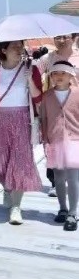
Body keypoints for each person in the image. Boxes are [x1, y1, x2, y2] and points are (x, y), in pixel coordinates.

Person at [0, 40, 43, 225]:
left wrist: (30, 79)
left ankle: (16, 207)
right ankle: (7, 188)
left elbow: (38, 97)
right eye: (14, 46)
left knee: (19, 163)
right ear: (4, 50)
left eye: (20, 46)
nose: (19, 49)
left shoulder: (31, 69)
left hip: (22, 120)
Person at [39, 61, 79, 232]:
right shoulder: (47, 96)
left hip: (75, 139)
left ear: (71, 76)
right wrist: (44, 139)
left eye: (63, 73)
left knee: (73, 177)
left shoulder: (77, 94)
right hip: (54, 139)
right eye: (55, 73)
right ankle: (62, 208)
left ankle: (73, 212)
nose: (59, 76)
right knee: (59, 177)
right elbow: (43, 119)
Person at [38, 33, 79, 198]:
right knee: (54, 145)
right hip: (54, 106)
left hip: (75, 108)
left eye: (65, 37)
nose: (61, 41)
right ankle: (55, 182)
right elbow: (35, 74)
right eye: (57, 37)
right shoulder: (48, 58)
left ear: (74, 38)